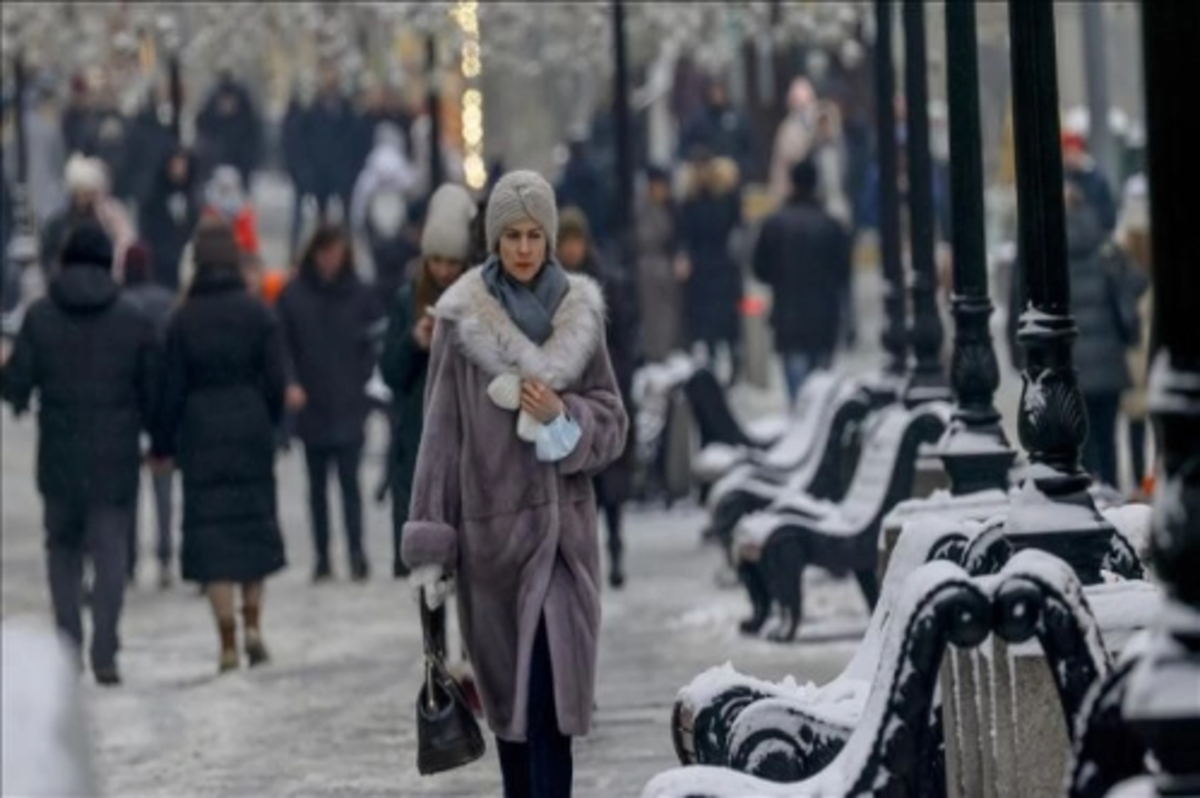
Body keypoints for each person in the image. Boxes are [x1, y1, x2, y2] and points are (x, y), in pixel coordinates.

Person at [401, 170, 628, 798]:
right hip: (492, 553)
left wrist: (567, 416)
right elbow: (440, 438)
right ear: (494, 240)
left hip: (564, 548)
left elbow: (612, 422)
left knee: (553, 714)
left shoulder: (580, 317)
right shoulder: (461, 322)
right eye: (512, 236)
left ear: (550, 239)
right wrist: (431, 545)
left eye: (534, 235)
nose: (524, 248)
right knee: (515, 725)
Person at [2, 222, 161, 686]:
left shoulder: (41, 318)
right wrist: (159, 437)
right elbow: (153, 390)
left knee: (63, 552)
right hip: (115, 457)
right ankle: (106, 648)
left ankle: (68, 645)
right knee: (111, 554)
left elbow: (16, 386)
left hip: (58, 455)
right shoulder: (132, 319)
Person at [151, 221, 287, 673]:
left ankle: (227, 639)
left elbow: (169, 388)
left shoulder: (182, 318)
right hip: (249, 427)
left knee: (214, 540)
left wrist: (164, 439)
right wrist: (268, 422)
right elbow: (275, 380)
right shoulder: (257, 313)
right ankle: (253, 625)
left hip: (202, 434)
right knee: (252, 531)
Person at [380, 184, 476, 578]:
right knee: (426, 577)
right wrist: (415, 342)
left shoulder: (478, 298)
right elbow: (390, 372)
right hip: (417, 436)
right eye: (436, 260)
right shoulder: (407, 299)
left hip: (466, 435)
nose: (443, 271)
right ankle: (433, 638)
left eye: (452, 262)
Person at [277, 224, 382, 582]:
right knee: (317, 488)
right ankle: (322, 556)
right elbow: (283, 346)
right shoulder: (294, 295)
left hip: (350, 400)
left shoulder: (360, 294)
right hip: (313, 403)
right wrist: (291, 383)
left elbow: (373, 343)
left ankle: (356, 553)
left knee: (351, 485)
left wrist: (366, 383)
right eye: (325, 253)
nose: (330, 260)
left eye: (336, 253)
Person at [557, 207, 638, 588]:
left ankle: (616, 547)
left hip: (604, 392)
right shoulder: (552, 286)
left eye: (576, 241)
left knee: (611, 485)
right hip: (568, 398)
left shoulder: (606, 282)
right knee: (579, 484)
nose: (572, 249)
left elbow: (623, 338)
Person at [1060, 179, 1146, 487]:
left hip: (1072, 365)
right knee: (1107, 439)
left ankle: (1089, 494)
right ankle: (1112, 493)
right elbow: (1135, 287)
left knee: (1080, 446)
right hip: (1109, 361)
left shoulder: (1051, 251)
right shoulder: (1106, 247)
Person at [753, 159, 852, 405]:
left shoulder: (774, 225)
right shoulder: (831, 226)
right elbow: (843, 273)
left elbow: (760, 268)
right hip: (823, 319)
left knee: (798, 399)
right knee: (820, 397)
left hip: (789, 318)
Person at [121, 242, 178, 588]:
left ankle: (127, 560)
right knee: (164, 490)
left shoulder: (118, 306)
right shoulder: (168, 302)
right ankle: (166, 556)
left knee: (127, 493)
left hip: (126, 410)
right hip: (163, 409)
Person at [678, 149, 745, 386]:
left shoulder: (721, 196)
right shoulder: (693, 199)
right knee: (711, 322)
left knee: (721, 320)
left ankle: (726, 359)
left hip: (716, 265)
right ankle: (716, 361)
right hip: (708, 266)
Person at [349, 123, 420, 304]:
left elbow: (360, 198)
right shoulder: (401, 166)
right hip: (397, 226)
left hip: (377, 228)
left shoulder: (370, 170)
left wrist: (357, 223)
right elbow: (412, 186)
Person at [40, 155, 134, 281]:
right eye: (79, 192)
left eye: (87, 192)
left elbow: (124, 248)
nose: (82, 197)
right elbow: (48, 257)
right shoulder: (58, 224)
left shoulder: (111, 218)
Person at [1117, 174, 1153, 496]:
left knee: (1136, 421)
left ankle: (1142, 478)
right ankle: (1151, 477)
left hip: (1132, 345)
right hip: (1149, 343)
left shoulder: (1120, 254)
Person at [634, 165, 683, 363]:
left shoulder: (670, 207)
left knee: (667, 312)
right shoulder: (641, 207)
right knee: (651, 312)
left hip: (665, 266)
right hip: (647, 266)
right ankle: (653, 352)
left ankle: (664, 351)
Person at [137, 147, 202, 291]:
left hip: (182, 259)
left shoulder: (192, 199)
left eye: (182, 165)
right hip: (158, 259)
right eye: (175, 165)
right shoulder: (153, 197)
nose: (178, 170)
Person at [195, 72, 263, 188]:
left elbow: (252, 148)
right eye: (223, 100)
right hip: (214, 174)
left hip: (240, 173)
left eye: (230, 100)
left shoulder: (246, 124)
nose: (227, 104)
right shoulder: (210, 123)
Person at [767, 77, 818, 207]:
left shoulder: (822, 123)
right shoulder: (786, 129)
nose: (804, 107)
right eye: (798, 102)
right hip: (792, 194)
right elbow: (782, 164)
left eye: (806, 102)